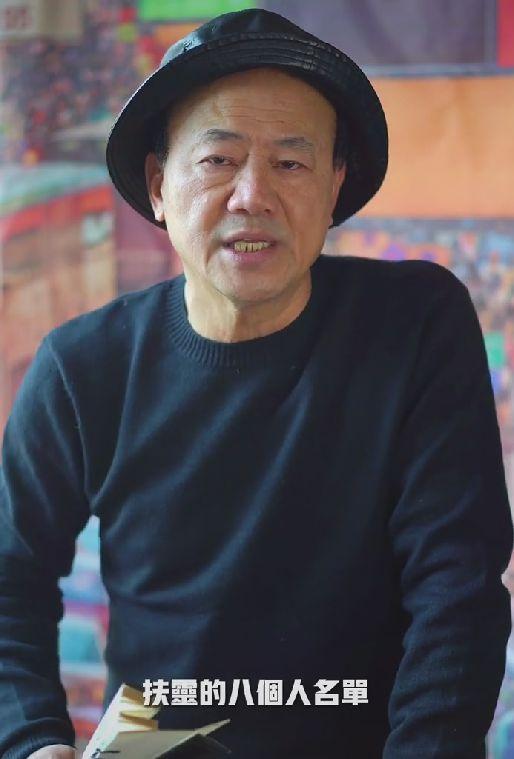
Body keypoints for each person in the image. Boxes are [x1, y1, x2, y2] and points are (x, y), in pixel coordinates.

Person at [0, 8, 512, 759]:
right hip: (162, 743)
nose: (252, 196)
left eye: (292, 164)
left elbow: (457, 586)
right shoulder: (83, 368)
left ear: (335, 186)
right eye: (219, 159)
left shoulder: (414, 326)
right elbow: (9, 576)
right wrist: (32, 740)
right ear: (158, 186)